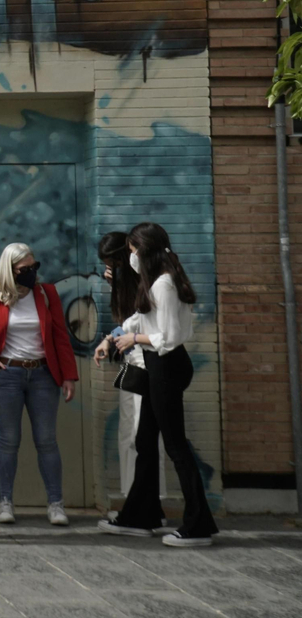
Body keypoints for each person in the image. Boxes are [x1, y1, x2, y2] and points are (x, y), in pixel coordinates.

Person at [94, 222, 217, 547]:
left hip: (166, 366)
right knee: (145, 441)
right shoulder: (154, 280)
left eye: (133, 251)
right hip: (155, 366)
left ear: (144, 251)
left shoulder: (164, 283)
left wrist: (133, 338)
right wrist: (113, 338)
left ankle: (199, 524)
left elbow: (169, 337)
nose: (130, 257)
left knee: (175, 446)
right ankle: (141, 515)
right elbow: (139, 317)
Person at [0, 243, 78, 527]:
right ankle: (4, 502)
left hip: (43, 374)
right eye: (24, 269)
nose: (32, 273)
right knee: (8, 440)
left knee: (46, 440)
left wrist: (68, 375)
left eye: (34, 267)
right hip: (6, 375)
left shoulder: (46, 293)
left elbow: (60, 337)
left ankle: (55, 504)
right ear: (10, 269)